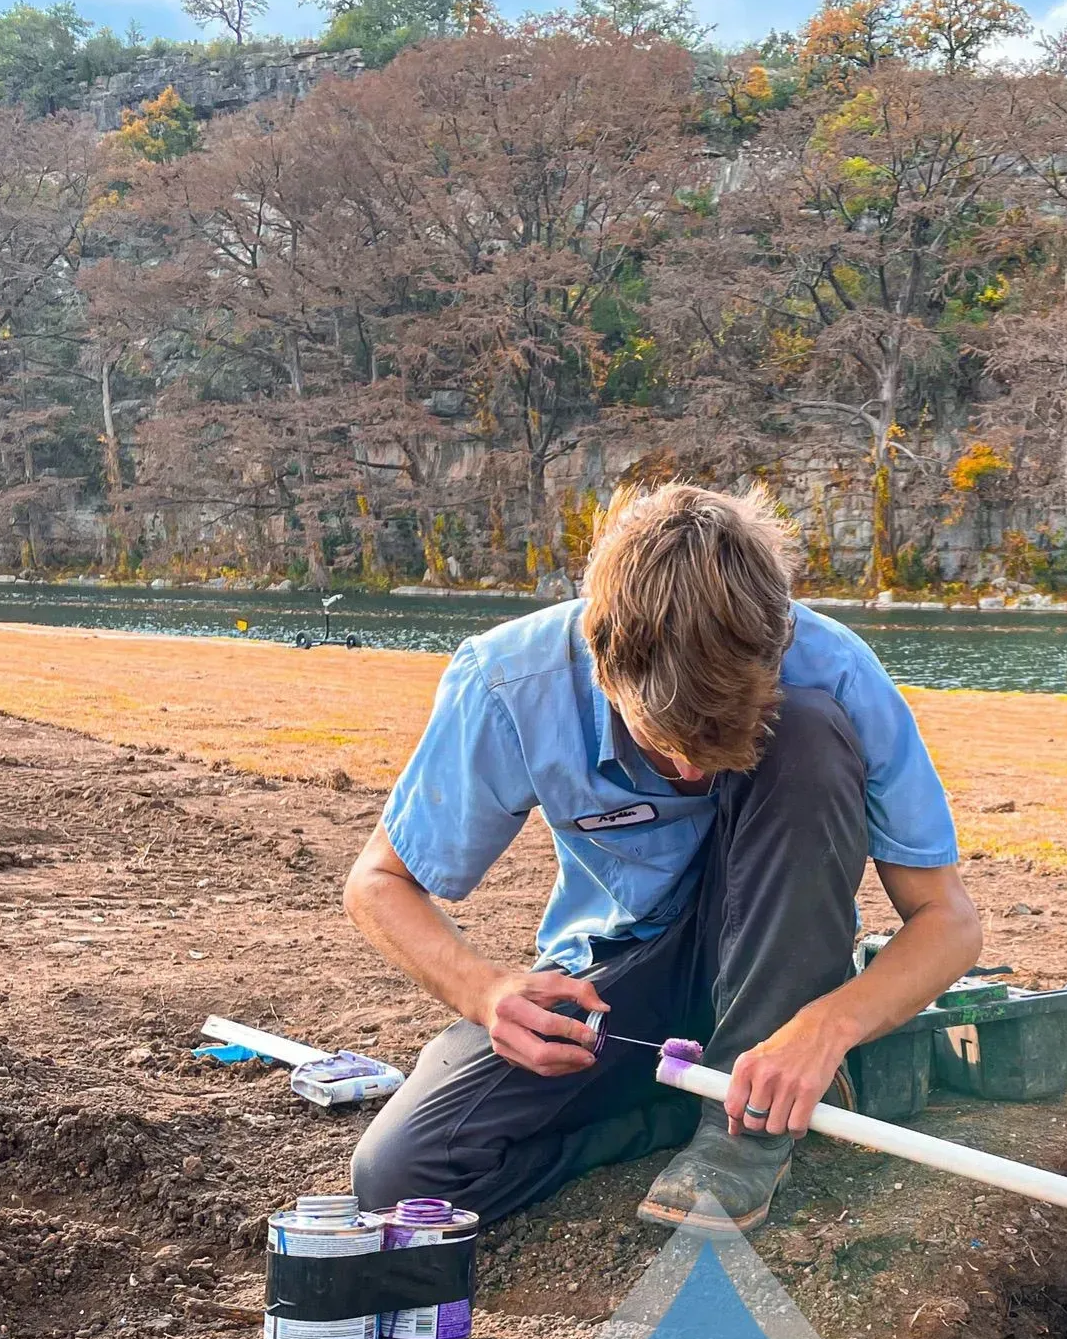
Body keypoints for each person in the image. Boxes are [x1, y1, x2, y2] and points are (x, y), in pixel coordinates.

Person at [345, 481, 981, 1233]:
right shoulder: (508, 681)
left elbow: (948, 922)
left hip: (782, 964)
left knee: (807, 732)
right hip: (623, 977)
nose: (688, 777)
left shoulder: (831, 668)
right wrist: (484, 993)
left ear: (777, 646)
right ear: (601, 661)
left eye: (719, 748)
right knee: (404, 1176)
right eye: (662, 745)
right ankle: (688, 1106)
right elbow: (377, 883)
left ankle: (746, 1134)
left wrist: (827, 1027)